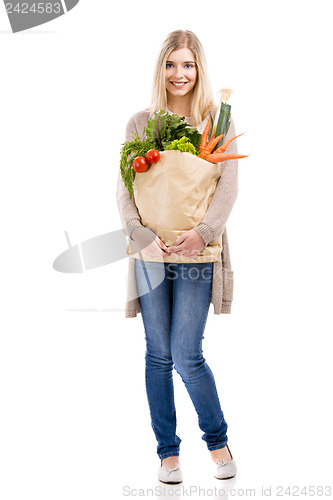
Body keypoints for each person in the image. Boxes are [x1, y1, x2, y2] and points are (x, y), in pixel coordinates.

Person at [116, 30, 239, 483]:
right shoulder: (139, 123)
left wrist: (202, 233)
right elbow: (124, 188)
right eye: (171, 65)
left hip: (197, 252)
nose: (179, 74)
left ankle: (218, 440)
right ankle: (168, 453)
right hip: (150, 253)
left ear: (199, 69)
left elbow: (228, 188)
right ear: (161, 69)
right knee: (157, 354)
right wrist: (139, 233)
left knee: (186, 353)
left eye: (187, 65)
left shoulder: (216, 124)